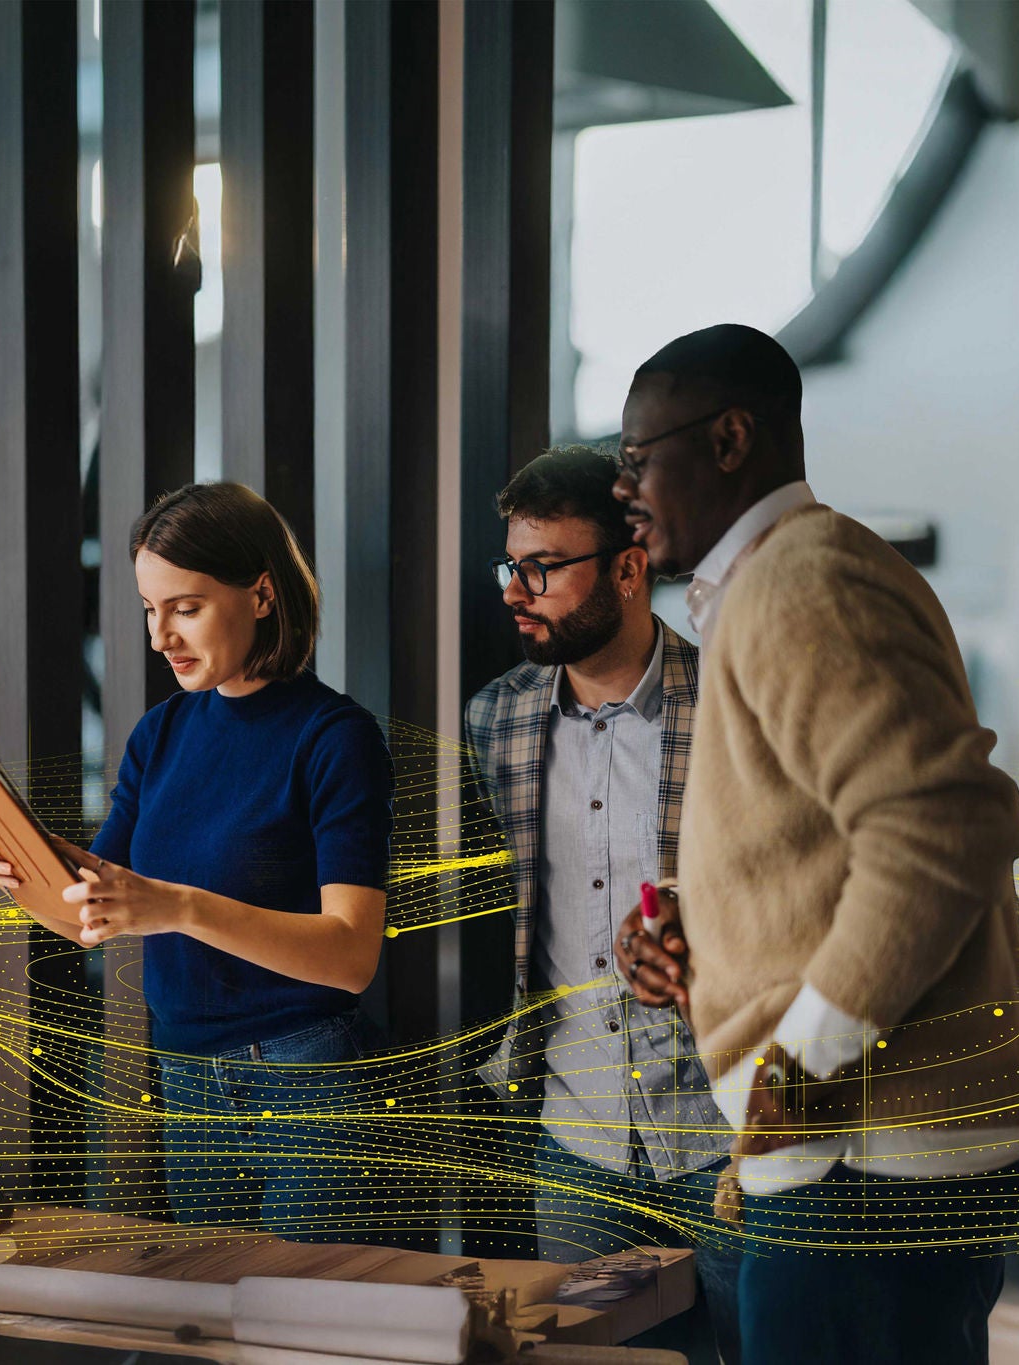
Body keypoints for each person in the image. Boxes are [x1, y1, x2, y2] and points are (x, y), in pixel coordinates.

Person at [609, 325, 1019, 1364]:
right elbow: (829, 829)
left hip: (863, 1158)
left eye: (637, 458)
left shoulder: (799, 586)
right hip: (857, 1151)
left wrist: (797, 1069)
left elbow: (944, 829)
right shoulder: (789, 579)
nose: (623, 488)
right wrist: (703, 925)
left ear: (728, 440)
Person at [0, 482, 393, 1242]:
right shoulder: (162, 732)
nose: (161, 638)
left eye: (185, 607)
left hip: (308, 1082)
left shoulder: (335, 737)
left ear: (260, 595)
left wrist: (180, 906)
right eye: (151, 610)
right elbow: (92, 910)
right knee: (216, 1330)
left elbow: (351, 955)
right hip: (188, 1080)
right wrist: (11, 864)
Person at [465, 445, 741, 1364]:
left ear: (628, 568)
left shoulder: (734, 703)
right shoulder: (495, 720)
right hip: (574, 1140)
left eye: (543, 568)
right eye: (513, 564)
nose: (517, 589)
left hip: (724, 1137)